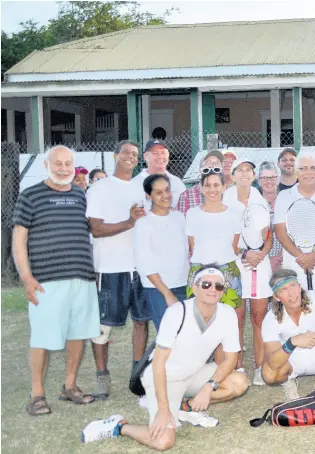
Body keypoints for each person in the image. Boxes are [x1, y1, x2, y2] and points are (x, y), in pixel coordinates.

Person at [81, 265, 250, 449]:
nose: (212, 289)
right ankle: (120, 426)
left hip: (194, 374)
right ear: (194, 288)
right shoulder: (177, 312)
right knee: (163, 441)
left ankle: (186, 409)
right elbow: (159, 363)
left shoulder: (228, 314)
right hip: (162, 378)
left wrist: (209, 386)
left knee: (239, 381)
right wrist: (163, 408)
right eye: (206, 284)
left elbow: (230, 359)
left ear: (223, 291)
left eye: (218, 286)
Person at [13, 145, 100, 416]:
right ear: (47, 166)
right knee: (42, 337)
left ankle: (69, 386)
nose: (63, 168)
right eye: (58, 163)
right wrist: (26, 277)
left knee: (77, 335)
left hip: (82, 278)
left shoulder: (81, 195)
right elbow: (19, 240)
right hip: (46, 281)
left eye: (68, 163)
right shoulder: (30, 196)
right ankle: (37, 394)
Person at [86, 140, 149, 400]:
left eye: (135, 155)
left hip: (139, 266)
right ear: (115, 156)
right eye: (126, 153)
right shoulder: (99, 188)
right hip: (110, 267)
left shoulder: (140, 188)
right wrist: (129, 222)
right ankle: (102, 377)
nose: (131, 158)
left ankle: (138, 374)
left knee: (141, 321)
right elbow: (96, 229)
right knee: (103, 326)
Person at [259, 269, 315, 400]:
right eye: (283, 290)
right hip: (291, 362)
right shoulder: (270, 318)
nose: (291, 293)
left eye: (293, 285)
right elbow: (273, 363)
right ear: (276, 297)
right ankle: (288, 382)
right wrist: (292, 342)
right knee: (268, 373)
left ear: (299, 286)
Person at [223, 158, 272, 378]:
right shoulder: (224, 200)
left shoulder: (261, 200)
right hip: (235, 265)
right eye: (240, 170)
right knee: (237, 318)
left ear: (254, 176)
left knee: (259, 317)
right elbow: (224, 237)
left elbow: (267, 237)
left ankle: (260, 367)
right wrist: (244, 254)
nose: (244, 174)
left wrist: (260, 254)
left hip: (260, 264)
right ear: (232, 176)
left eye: (248, 171)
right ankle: (239, 366)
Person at [274, 150, 315, 299]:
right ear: (296, 172)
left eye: (313, 168)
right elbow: (281, 232)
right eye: (303, 168)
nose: (308, 172)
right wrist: (302, 257)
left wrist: (313, 255)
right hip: (294, 265)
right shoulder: (284, 197)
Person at [134, 174, 189, 330]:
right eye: (158, 192)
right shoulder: (144, 223)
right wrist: (166, 294)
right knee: (169, 337)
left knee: (185, 335)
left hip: (183, 285)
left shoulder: (179, 217)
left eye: (167, 190)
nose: (165, 195)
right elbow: (144, 264)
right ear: (148, 195)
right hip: (159, 289)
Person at [185, 171, 243, 311]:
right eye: (208, 185)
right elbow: (192, 246)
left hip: (228, 270)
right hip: (199, 269)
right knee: (199, 317)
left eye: (216, 185)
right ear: (201, 188)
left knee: (229, 314)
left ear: (224, 187)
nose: (212, 189)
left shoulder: (234, 214)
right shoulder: (192, 214)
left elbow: (234, 246)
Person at [132, 140, 186, 209]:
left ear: (168, 155)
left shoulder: (177, 182)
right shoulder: (135, 183)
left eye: (163, 153)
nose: (160, 156)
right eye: (155, 153)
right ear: (145, 156)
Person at [176, 150, 224, 216]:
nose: (213, 166)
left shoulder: (228, 194)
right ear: (200, 170)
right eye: (208, 163)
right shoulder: (186, 196)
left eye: (217, 164)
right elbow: (182, 223)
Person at [258, 161, 283, 271]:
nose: (269, 181)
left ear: (278, 179)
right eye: (264, 178)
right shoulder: (253, 203)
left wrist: (278, 258)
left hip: (284, 259)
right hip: (259, 260)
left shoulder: (286, 201)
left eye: (272, 177)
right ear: (259, 180)